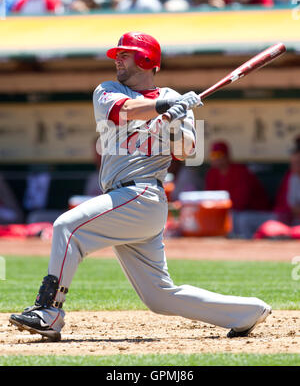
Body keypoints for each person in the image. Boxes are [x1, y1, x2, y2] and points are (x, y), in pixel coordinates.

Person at [10, 32, 271, 341]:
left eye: (126, 54)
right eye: (118, 54)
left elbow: (187, 151)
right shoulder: (108, 90)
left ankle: (49, 312)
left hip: (143, 195)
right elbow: (124, 111)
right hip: (121, 198)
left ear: (147, 60)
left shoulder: (175, 98)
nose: (117, 59)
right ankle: (247, 312)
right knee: (159, 297)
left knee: (67, 227)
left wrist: (175, 120)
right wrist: (164, 106)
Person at [205, 141, 271, 238]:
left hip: (258, 213)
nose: (215, 158)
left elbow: (241, 203)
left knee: (239, 218)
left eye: (218, 155)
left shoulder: (241, 172)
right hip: (235, 213)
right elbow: (209, 199)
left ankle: (248, 247)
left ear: (227, 156)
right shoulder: (212, 174)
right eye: (213, 155)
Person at [274, 147, 300, 225]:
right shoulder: (293, 177)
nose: (294, 165)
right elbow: (292, 207)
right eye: (292, 163)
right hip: (294, 220)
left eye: (298, 162)